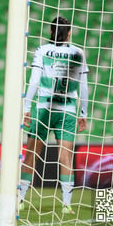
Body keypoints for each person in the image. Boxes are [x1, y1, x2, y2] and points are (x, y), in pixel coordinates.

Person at [18, 16, 89, 215]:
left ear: (51, 32)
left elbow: (33, 81)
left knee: (32, 154)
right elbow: (84, 86)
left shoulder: (42, 51)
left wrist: (26, 107)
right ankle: (66, 204)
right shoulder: (78, 52)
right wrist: (83, 113)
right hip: (67, 110)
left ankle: (21, 199)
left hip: (43, 109)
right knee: (65, 157)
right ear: (69, 33)